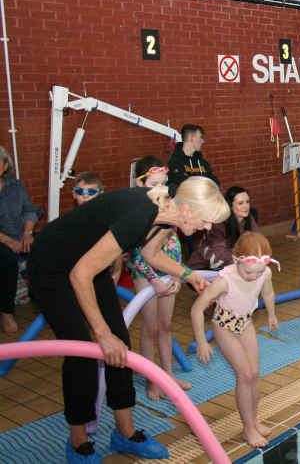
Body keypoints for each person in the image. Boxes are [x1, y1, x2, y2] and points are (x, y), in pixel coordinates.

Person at [28, 177, 228, 463]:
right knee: (82, 353)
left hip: (86, 263)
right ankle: (79, 442)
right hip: (52, 266)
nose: (207, 228)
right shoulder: (139, 215)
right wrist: (101, 334)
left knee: (121, 344)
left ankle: (125, 432)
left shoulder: (167, 214)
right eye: (205, 221)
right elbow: (79, 275)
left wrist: (188, 274)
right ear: (186, 210)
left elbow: (150, 253)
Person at [191, 231, 279, 448]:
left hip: (245, 322)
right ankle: (247, 428)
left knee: (255, 373)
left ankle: (254, 420)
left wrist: (271, 314)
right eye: (249, 272)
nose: (254, 277)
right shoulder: (224, 281)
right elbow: (197, 309)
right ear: (235, 260)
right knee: (245, 374)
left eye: (258, 273)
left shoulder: (264, 273)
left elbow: (268, 293)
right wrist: (201, 341)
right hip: (224, 327)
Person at [124, 156, 191, 400]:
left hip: (168, 271)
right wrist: (153, 280)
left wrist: (177, 273)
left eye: (163, 184)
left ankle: (168, 374)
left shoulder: (168, 205)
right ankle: (153, 380)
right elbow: (137, 252)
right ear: (140, 184)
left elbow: (175, 243)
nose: (160, 189)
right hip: (146, 275)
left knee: (166, 326)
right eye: (154, 185)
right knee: (150, 329)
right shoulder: (137, 211)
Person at [0, 146, 42, 335]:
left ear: (5, 165)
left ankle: (45, 303)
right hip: (2, 240)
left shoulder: (16, 186)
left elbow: (29, 210)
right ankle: (6, 313)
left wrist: (28, 233)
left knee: (47, 248)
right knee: (7, 259)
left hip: (20, 235)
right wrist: (9, 242)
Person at [188, 186, 258, 270]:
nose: (246, 206)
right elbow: (219, 253)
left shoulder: (249, 218)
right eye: (240, 203)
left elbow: (257, 241)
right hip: (204, 267)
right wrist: (243, 260)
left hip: (231, 263)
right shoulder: (220, 222)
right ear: (230, 205)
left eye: (247, 202)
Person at [167, 124, 219, 196]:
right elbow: (179, 189)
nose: (203, 141)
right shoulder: (174, 163)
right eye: (200, 137)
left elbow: (215, 183)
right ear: (191, 138)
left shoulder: (202, 162)